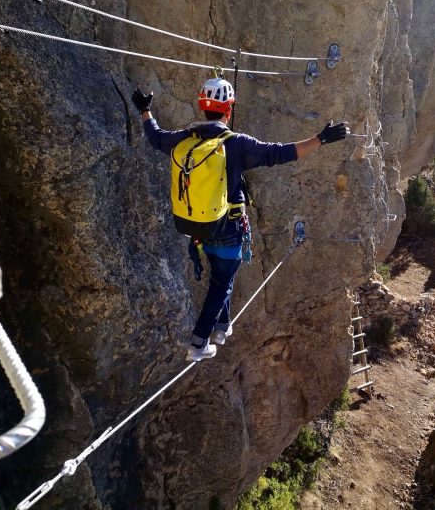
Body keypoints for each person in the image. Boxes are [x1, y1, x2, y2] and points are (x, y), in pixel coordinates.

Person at [132, 78, 347, 362]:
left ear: (203, 106)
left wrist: (145, 111)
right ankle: (198, 344)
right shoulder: (236, 144)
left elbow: (156, 137)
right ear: (229, 109)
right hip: (228, 228)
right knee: (220, 284)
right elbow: (282, 153)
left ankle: (221, 328)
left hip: (197, 228)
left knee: (223, 276)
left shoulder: (185, 139)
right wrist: (321, 139)